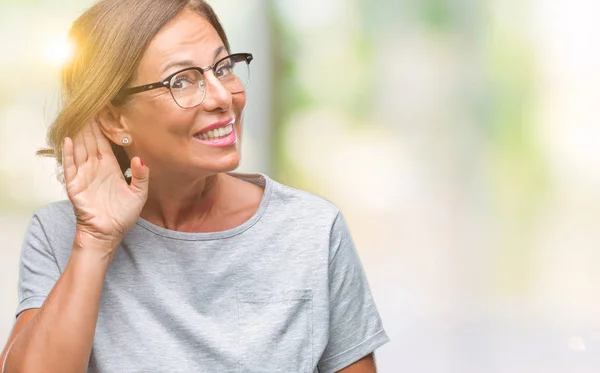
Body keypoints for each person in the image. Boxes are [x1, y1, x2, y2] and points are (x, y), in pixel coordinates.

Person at [0, 0, 389, 372]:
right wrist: (94, 244)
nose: (223, 97)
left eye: (222, 68)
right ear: (114, 120)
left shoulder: (312, 230)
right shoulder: (60, 236)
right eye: (181, 81)